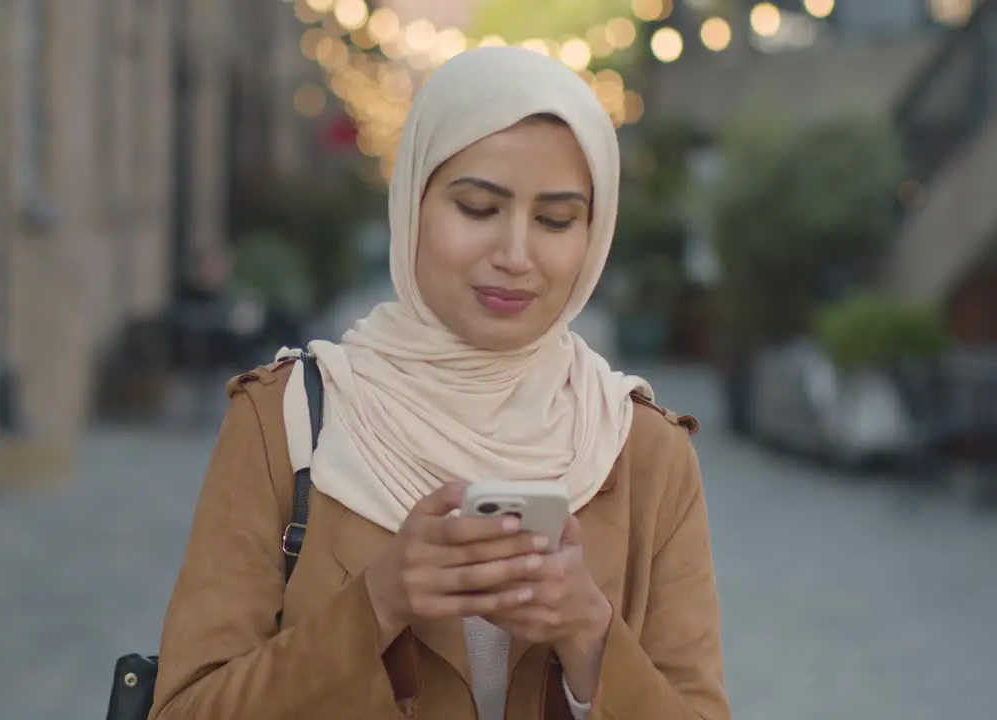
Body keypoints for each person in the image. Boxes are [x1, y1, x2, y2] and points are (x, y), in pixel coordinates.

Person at [148, 46, 728, 720]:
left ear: (595, 235)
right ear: (414, 203)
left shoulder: (641, 452)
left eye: (555, 220)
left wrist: (591, 638)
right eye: (478, 208)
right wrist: (378, 603)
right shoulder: (289, 424)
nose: (514, 255)